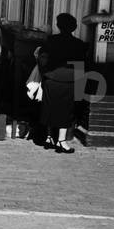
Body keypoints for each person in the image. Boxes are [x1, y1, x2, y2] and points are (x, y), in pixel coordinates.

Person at [39, 13, 87, 153]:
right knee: (66, 112)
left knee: (49, 108)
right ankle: (61, 140)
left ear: (58, 26)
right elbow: (81, 66)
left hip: (51, 78)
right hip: (69, 80)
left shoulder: (50, 40)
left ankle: (48, 138)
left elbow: (42, 58)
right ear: (74, 27)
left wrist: (44, 74)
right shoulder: (79, 44)